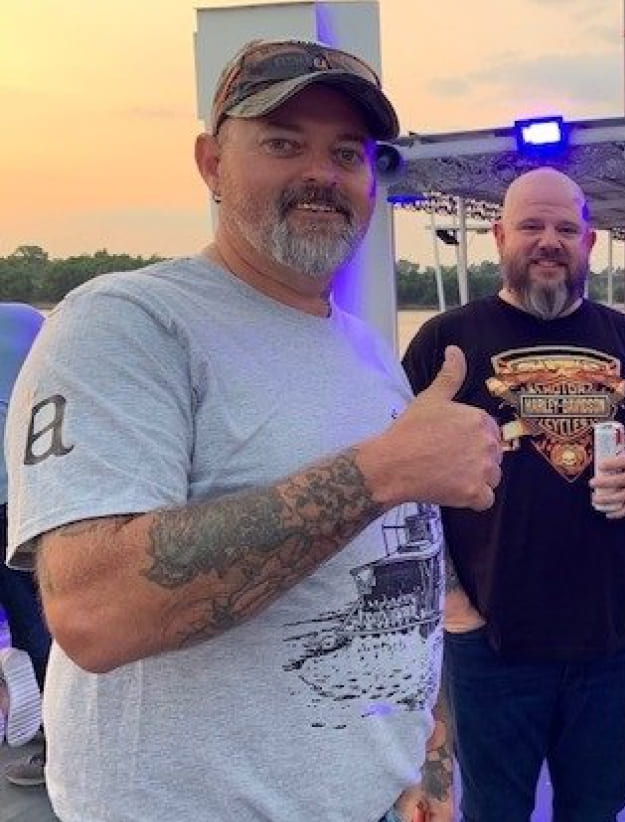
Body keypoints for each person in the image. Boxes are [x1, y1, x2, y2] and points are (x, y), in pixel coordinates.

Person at [3, 39, 504, 821]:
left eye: (348, 152)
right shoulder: (126, 326)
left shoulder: (367, 351)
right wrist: (379, 473)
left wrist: (431, 758)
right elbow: (92, 611)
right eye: (282, 142)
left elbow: (407, 573)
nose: (322, 173)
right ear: (211, 163)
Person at [400, 167, 625, 821]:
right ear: (499, 234)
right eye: (531, 225)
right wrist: (456, 608)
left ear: (589, 240)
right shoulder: (445, 343)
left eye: (566, 228)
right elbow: (401, 491)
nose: (548, 241)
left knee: (594, 810)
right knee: (494, 811)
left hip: (612, 643)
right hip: (492, 643)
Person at [0, 302, 50, 787]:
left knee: (28, 625)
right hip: (28, 491)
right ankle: (58, 741)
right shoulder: (28, 320)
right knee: (36, 619)